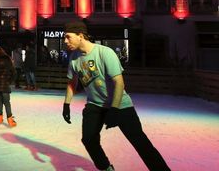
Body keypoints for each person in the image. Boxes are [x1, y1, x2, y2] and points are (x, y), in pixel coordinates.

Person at [62, 21, 170, 171]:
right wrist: (66, 105)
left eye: (68, 37)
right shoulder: (74, 58)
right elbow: (72, 83)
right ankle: (106, 168)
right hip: (95, 105)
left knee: (140, 142)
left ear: (80, 36)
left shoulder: (105, 52)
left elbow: (119, 83)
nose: (65, 41)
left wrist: (114, 109)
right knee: (89, 139)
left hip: (120, 105)